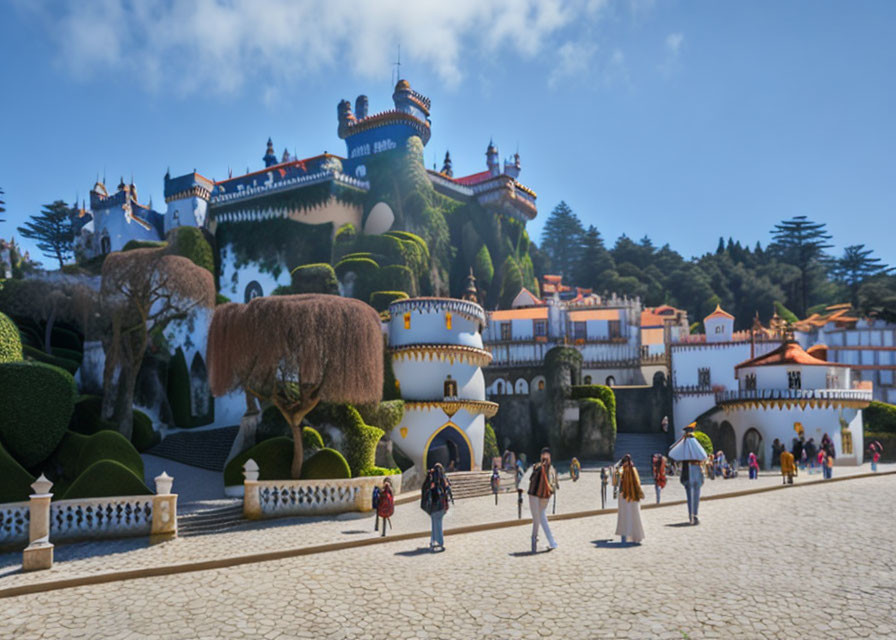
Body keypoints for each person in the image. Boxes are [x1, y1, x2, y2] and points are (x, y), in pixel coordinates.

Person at [527, 447, 559, 553]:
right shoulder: (537, 467)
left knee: (540, 518)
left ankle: (541, 540)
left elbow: (554, 484)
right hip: (534, 494)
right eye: (543, 455)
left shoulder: (551, 469)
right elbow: (529, 479)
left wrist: (551, 491)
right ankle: (537, 539)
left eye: (547, 455)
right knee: (538, 518)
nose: (545, 457)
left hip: (544, 497)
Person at [421, 463, 453, 551]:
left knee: (435, 524)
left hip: (433, 506)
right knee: (438, 524)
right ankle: (437, 541)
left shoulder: (432, 480)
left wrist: (429, 476)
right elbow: (448, 490)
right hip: (442, 506)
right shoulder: (443, 479)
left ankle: (435, 541)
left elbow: (424, 488)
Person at [615, 454, 645, 544]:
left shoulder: (621, 471)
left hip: (624, 497)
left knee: (624, 516)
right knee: (635, 516)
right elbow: (638, 484)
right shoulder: (633, 470)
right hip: (633, 497)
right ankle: (636, 537)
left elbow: (615, 481)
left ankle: (624, 538)